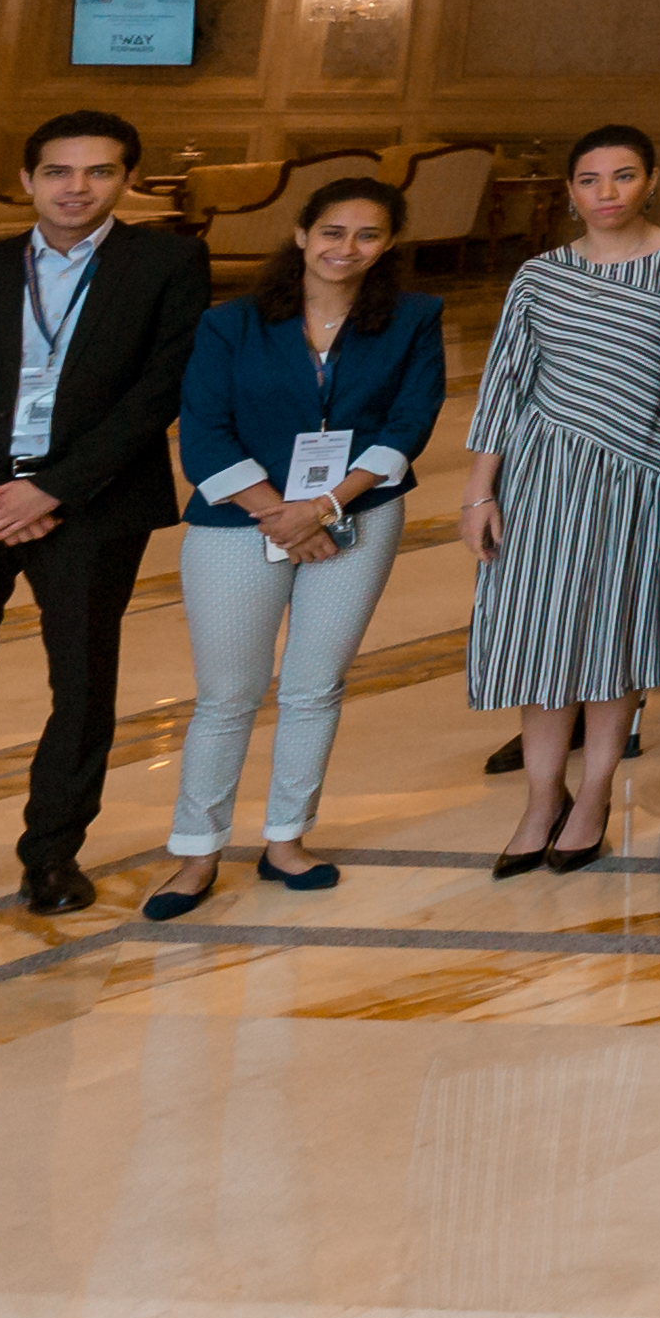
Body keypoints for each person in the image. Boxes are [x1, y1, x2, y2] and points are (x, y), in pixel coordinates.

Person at [143, 176, 446, 919]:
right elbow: (205, 430)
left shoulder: (411, 318)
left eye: (368, 235)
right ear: (303, 234)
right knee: (227, 695)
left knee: (314, 686)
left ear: (390, 244)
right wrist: (282, 514)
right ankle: (196, 850)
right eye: (333, 231)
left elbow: (409, 423)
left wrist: (324, 507)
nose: (348, 248)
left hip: (359, 516)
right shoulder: (231, 323)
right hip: (240, 524)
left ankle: (286, 839)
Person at [0, 111, 216, 913]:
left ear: (126, 179)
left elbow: (160, 387)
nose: (76, 188)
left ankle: (51, 854)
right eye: (58, 172)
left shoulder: (168, 260)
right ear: (26, 180)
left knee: (80, 684)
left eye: (97, 172)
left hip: (91, 503)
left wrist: (54, 488)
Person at [463, 124, 660, 874]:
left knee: (613, 638)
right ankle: (541, 799)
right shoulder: (540, 275)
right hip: (544, 477)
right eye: (589, 181)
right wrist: (479, 490)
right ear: (570, 191)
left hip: (644, 474)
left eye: (623, 177)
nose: (606, 194)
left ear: (651, 180)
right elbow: (504, 380)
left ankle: (593, 794)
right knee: (542, 638)